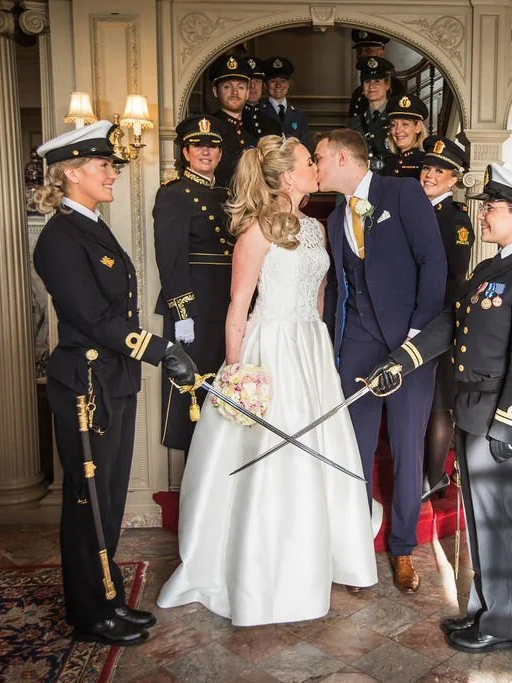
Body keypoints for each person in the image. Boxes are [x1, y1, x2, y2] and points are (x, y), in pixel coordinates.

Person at [157, 135, 377, 625]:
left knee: (319, 449)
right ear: (285, 176)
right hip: (269, 348)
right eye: (307, 163)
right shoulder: (255, 233)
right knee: (270, 458)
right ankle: (263, 570)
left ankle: (325, 556)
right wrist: (238, 375)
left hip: (310, 349)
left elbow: (320, 297)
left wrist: (322, 352)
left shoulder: (318, 228)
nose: (315, 168)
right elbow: (238, 310)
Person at [364, 163, 512, 653]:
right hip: (473, 407)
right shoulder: (491, 269)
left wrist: (509, 420)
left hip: (499, 413)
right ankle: (482, 612)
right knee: (479, 521)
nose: (484, 213)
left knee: (499, 524)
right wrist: (402, 361)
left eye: (493, 207)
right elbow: (451, 324)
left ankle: (504, 625)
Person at [32, 120, 197, 647]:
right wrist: (160, 349)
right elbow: (92, 316)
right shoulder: (60, 237)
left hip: (111, 379)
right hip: (86, 386)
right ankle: (89, 611)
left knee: (108, 497)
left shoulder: (91, 226)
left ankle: (107, 598)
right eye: (104, 166)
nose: (112, 175)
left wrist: (150, 353)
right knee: (88, 501)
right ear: (73, 172)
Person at [316, 128, 446, 593]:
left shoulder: (402, 192)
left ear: (344, 159)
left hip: (408, 344)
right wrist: (333, 342)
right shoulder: (334, 217)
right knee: (355, 449)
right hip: (357, 343)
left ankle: (403, 547)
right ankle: (354, 546)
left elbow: (433, 262)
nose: (315, 166)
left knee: (409, 450)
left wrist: (415, 339)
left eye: (320, 158)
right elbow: (341, 286)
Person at [153, 115, 234, 457]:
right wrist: (182, 312)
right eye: (198, 145)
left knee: (224, 397)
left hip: (227, 306)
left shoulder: (228, 193)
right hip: (195, 311)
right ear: (185, 151)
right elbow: (171, 259)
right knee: (195, 398)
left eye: (212, 146)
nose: (206, 151)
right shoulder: (174, 193)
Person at [418, 136, 473, 500]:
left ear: (454, 180)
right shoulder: (413, 209)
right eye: (426, 167)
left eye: (439, 171)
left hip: (439, 320)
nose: (429, 175)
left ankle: (433, 476)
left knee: (439, 401)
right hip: (413, 317)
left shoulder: (455, 220)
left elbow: (453, 278)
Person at [208, 54, 253, 187]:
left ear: (247, 93)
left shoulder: (255, 129)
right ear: (216, 91)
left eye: (240, 87)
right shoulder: (209, 128)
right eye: (227, 87)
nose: (235, 93)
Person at [349, 57, 396, 174]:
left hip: (389, 179)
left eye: (377, 81)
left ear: (387, 85)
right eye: (367, 81)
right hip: (362, 180)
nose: (371, 87)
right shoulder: (355, 122)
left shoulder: (397, 119)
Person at [346, 31, 406, 119]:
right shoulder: (357, 93)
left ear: (381, 54)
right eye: (359, 51)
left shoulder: (395, 88)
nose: (362, 55)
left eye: (368, 50)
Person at [263, 56, 312, 148]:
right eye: (273, 81)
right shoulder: (258, 112)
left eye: (283, 81)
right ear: (265, 85)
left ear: (288, 84)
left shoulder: (299, 115)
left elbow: (306, 147)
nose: (278, 85)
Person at [385, 94, 428, 179]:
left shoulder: (425, 162)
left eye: (405, 124)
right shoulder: (388, 161)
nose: (397, 130)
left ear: (418, 127)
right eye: (394, 125)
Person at [242, 56, 282, 142]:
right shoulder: (229, 122)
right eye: (248, 81)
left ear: (263, 87)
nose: (252, 86)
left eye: (257, 81)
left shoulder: (273, 124)